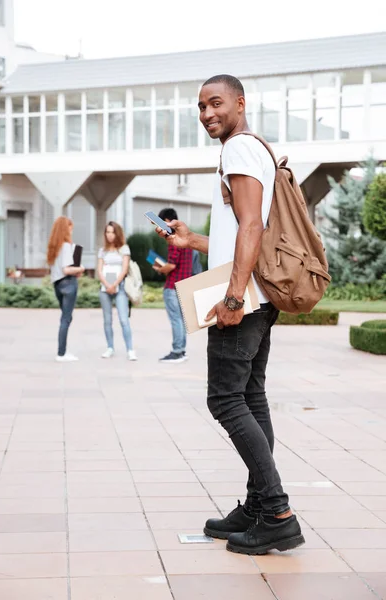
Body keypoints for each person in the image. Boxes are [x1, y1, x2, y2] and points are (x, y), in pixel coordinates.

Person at [155, 75, 305, 555]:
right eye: (200, 106)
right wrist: (190, 241)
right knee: (251, 397)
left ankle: (277, 511)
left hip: (242, 298)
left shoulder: (239, 149)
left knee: (224, 400)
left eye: (215, 103)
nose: (206, 113)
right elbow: (241, 230)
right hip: (257, 295)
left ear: (240, 103)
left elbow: (251, 226)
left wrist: (234, 298)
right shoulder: (254, 148)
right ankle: (260, 504)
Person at [153, 208, 193, 363]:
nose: (159, 228)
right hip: (184, 284)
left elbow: (171, 265)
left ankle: (177, 351)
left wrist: (160, 269)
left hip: (173, 285)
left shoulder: (173, 239)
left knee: (176, 320)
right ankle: (181, 351)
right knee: (181, 320)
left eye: (160, 223)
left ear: (168, 220)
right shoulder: (187, 238)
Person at [97, 221, 137, 361]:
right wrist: (107, 285)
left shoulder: (124, 249)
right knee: (107, 320)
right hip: (104, 289)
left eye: (112, 232)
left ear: (117, 233)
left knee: (123, 319)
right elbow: (99, 270)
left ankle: (130, 349)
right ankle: (110, 347)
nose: (109, 235)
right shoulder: (102, 251)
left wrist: (114, 284)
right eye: (107, 232)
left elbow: (125, 269)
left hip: (119, 288)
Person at [47, 216, 84, 362]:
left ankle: (62, 350)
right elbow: (67, 270)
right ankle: (61, 353)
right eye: (70, 228)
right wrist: (80, 268)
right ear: (65, 229)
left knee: (65, 318)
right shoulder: (67, 246)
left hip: (57, 284)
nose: (71, 231)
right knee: (66, 319)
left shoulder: (53, 248)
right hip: (68, 283)